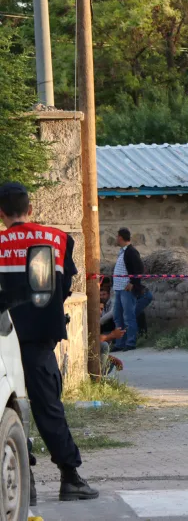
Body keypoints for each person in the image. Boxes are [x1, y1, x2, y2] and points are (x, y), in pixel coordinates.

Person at [0, 182, 99, 503]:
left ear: (1, 214)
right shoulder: (58, 239)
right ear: (30, 209)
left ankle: (23, 480)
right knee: (48, 409)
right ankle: (70, 478)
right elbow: (65, 287)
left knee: (8, 406)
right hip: (40, 340)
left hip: (4, 339)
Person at [111, 227, 145, 351]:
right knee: (117, 316)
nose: (116, 239)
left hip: (126, 290)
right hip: (119, 289)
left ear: (120, 237)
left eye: (117, 236)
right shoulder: (123, 252)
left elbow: (139, 269)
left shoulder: (131, 251)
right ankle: (119, 343)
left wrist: (133, 283)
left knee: (128, 317)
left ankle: (130, 343)